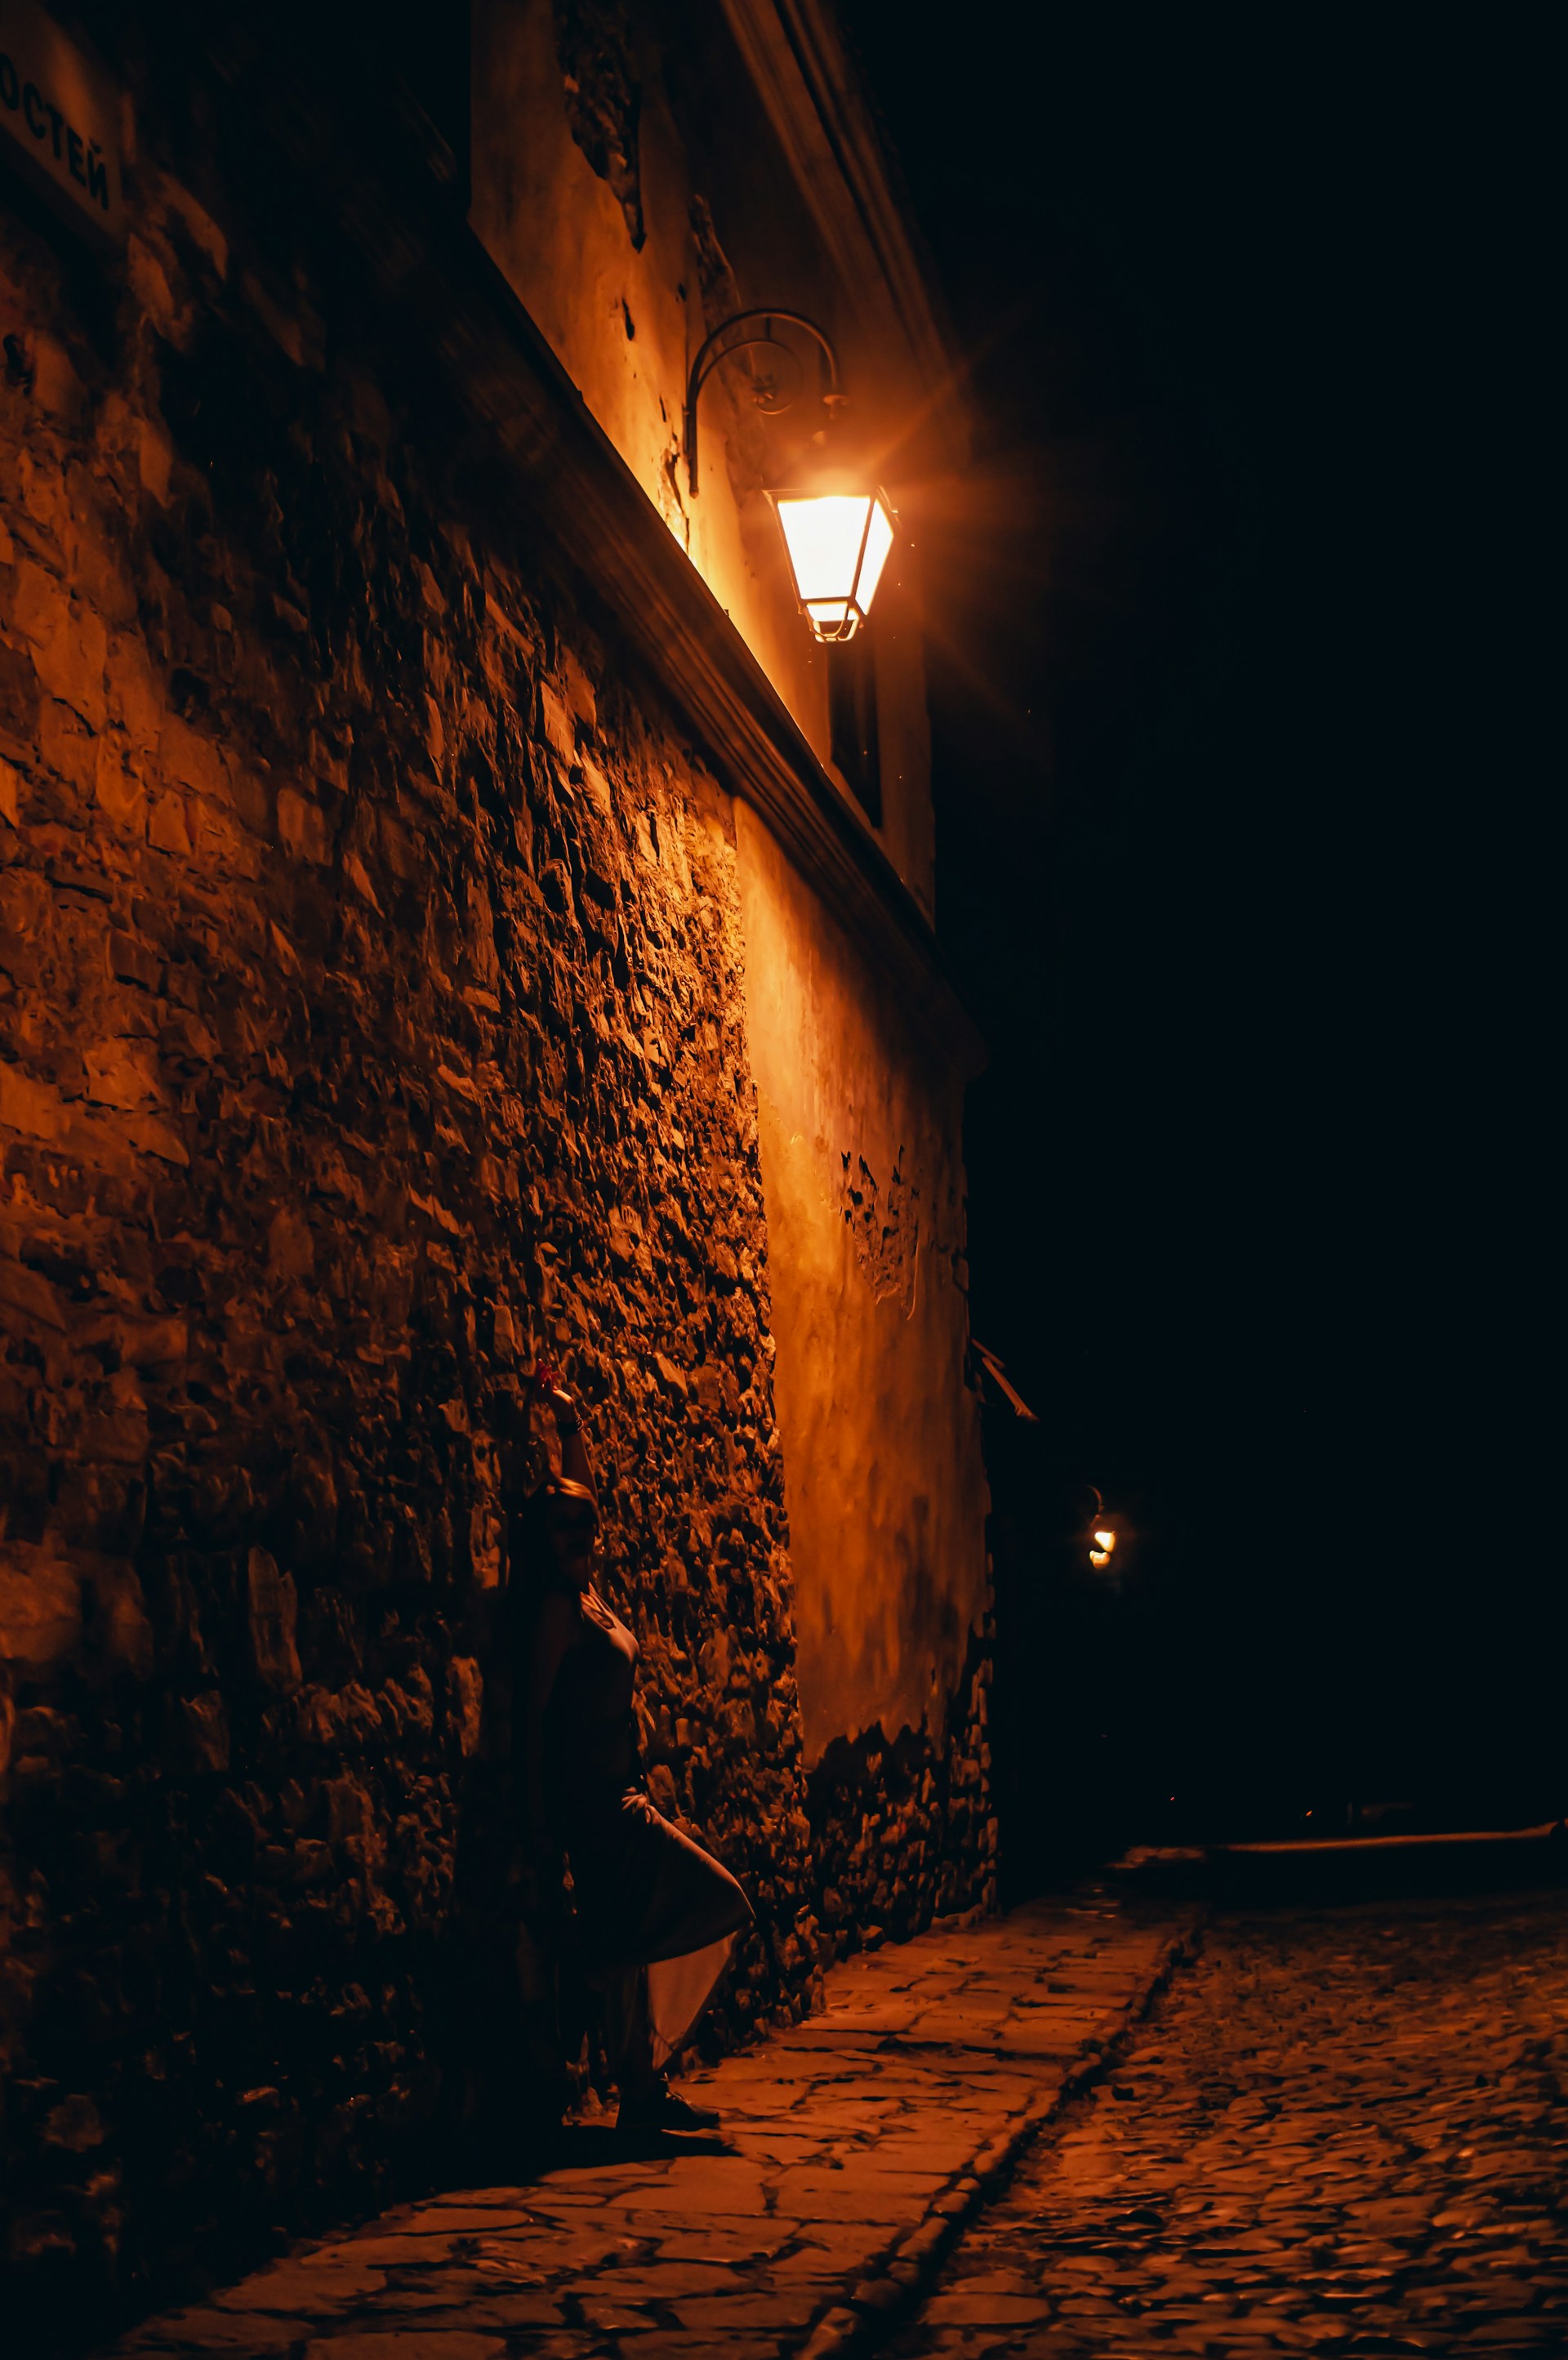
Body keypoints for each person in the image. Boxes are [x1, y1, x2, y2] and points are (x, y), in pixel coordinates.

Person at [509, 1369, 753, 2132]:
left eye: (583, 1528)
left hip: (626, 1793)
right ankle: (618, 2037)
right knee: (713, 1901)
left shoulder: (589, 1593)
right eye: (562, 1530)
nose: (578, 1536)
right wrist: (542, 1813)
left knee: (637, 1936)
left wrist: (571, 1425)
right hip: (599, 1805)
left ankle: (640, 2088)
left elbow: (580, 1497)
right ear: (542, 1539)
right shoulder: (555, 1607)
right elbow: (533, 1716)